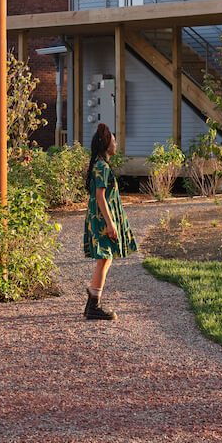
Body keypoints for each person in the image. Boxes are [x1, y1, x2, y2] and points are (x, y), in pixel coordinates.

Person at [82, 122, 136, 320]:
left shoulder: (100, 165)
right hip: (101, 219)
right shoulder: (102, 166)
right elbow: (100, 196)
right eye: (113, 140)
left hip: (100, 218)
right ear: (106, 144)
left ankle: (92, 301)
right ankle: (94, 305)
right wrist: (110, 223)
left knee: (106, 258)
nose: (116, 143)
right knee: (104, 258)